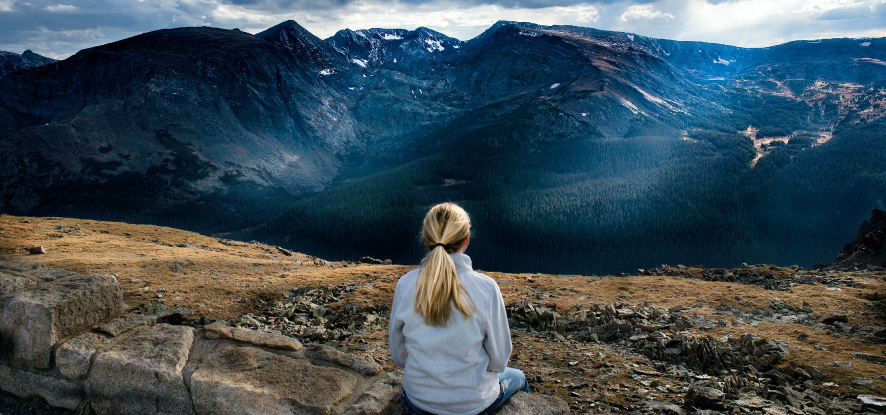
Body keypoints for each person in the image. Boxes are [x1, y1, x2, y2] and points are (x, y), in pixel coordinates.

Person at [389, 202, 529, 415]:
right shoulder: (486, 288)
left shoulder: (406, 285)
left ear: (426, 239)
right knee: (519, 377)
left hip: (418, 401)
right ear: (466, 239)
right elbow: (499, 362)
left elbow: (399, 357)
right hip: (473, 403)